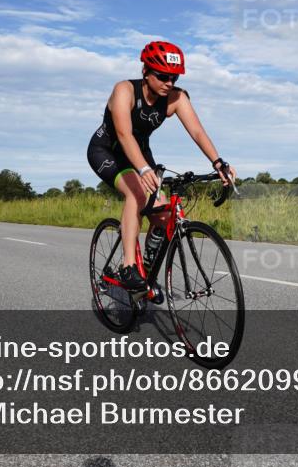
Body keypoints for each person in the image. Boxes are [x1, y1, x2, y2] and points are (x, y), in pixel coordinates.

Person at [88, 41, 236, 290]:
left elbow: (197, 131)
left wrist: (218, 162)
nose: (170, 82)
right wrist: (144, 170)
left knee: (166, 215)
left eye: (175, 77)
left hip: (142, 154)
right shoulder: (124, 90)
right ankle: (128, 267)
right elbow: (124, 135)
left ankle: (146, 269)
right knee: (136, 192)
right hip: (108, 151)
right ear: (146, 71)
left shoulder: (176, 98)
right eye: (164, 76)